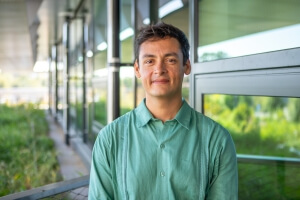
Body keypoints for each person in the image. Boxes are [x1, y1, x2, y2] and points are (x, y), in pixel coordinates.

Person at [88, 22, 238, 200]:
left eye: (170, 60)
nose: (159, 69)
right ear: (137, 69)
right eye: (149, 61)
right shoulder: (109, 139)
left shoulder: (217, 140)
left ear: (187, 66)